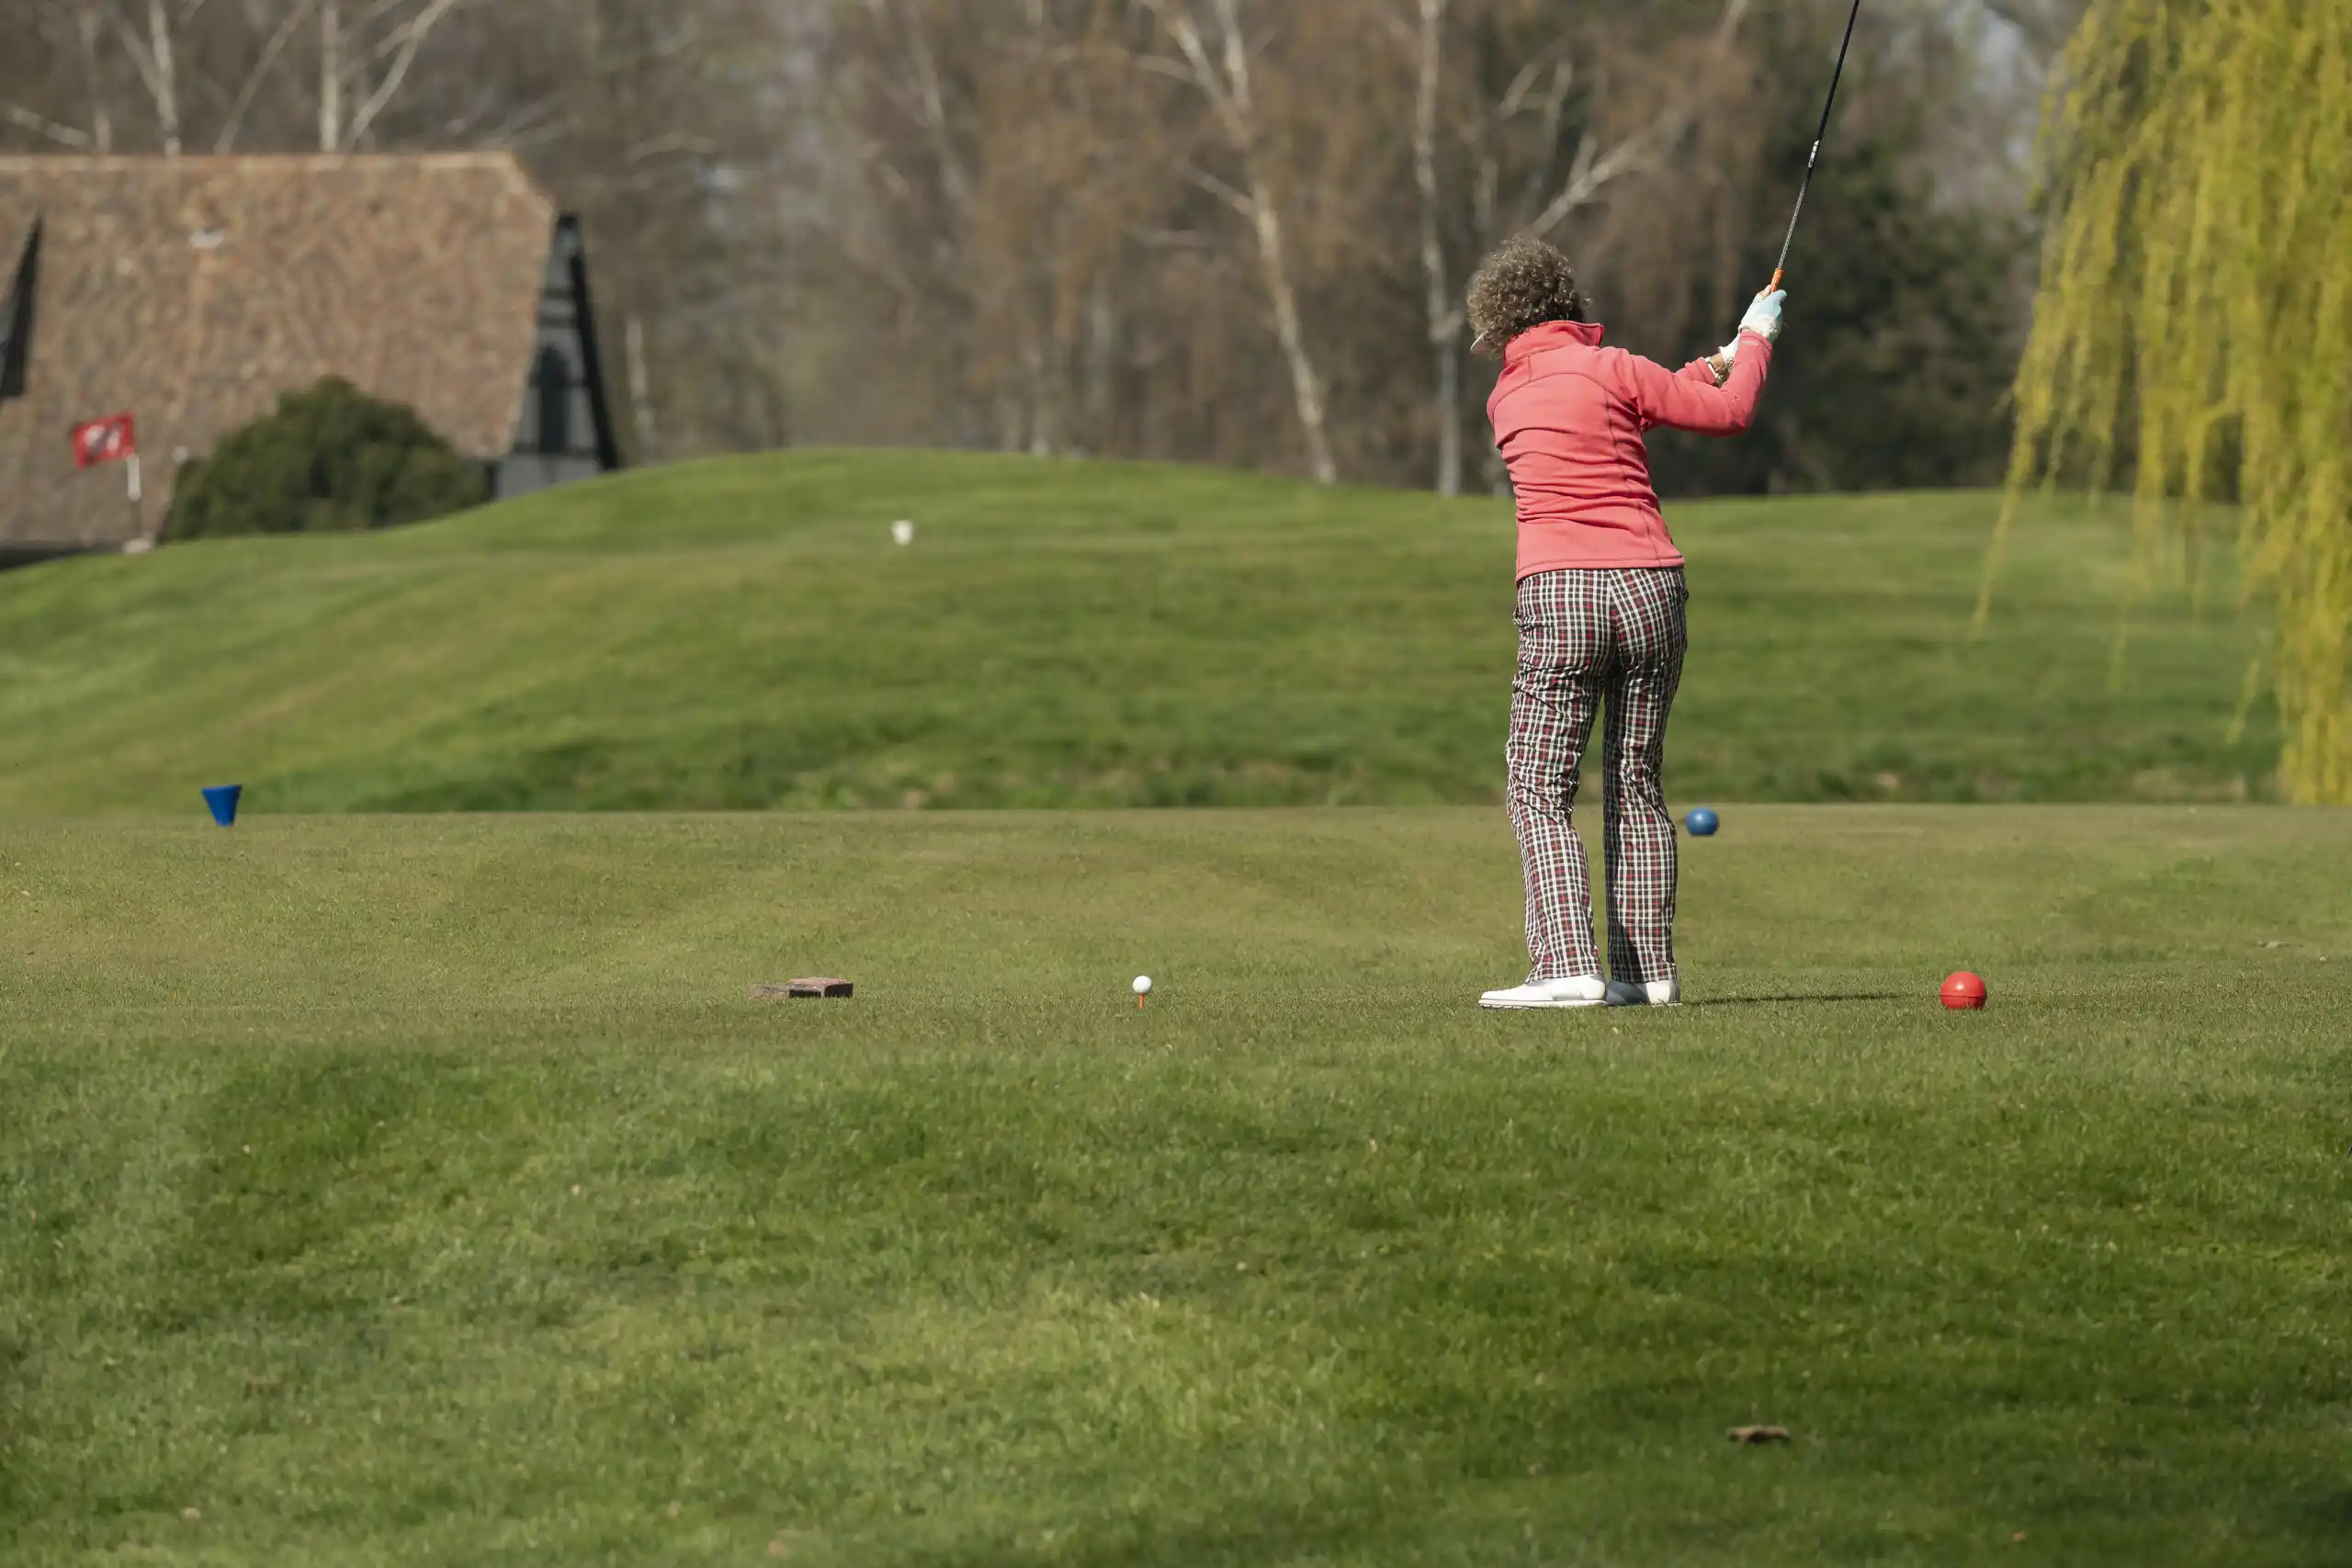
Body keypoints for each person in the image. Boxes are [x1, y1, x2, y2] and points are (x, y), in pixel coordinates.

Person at [1467, 235, 1782, 1010]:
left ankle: (1567, 964)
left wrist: (1724, 355)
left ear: (1501, 327)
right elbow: (1720, 410)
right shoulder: (1614, 367)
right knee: (1635, 779)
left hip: (1562, 593)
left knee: (1538, 784)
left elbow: (1623, 406)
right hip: (1650, 587)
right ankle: (1645, 973)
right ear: (1567, 305)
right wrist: (1755, 343)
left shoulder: (1506, 397)